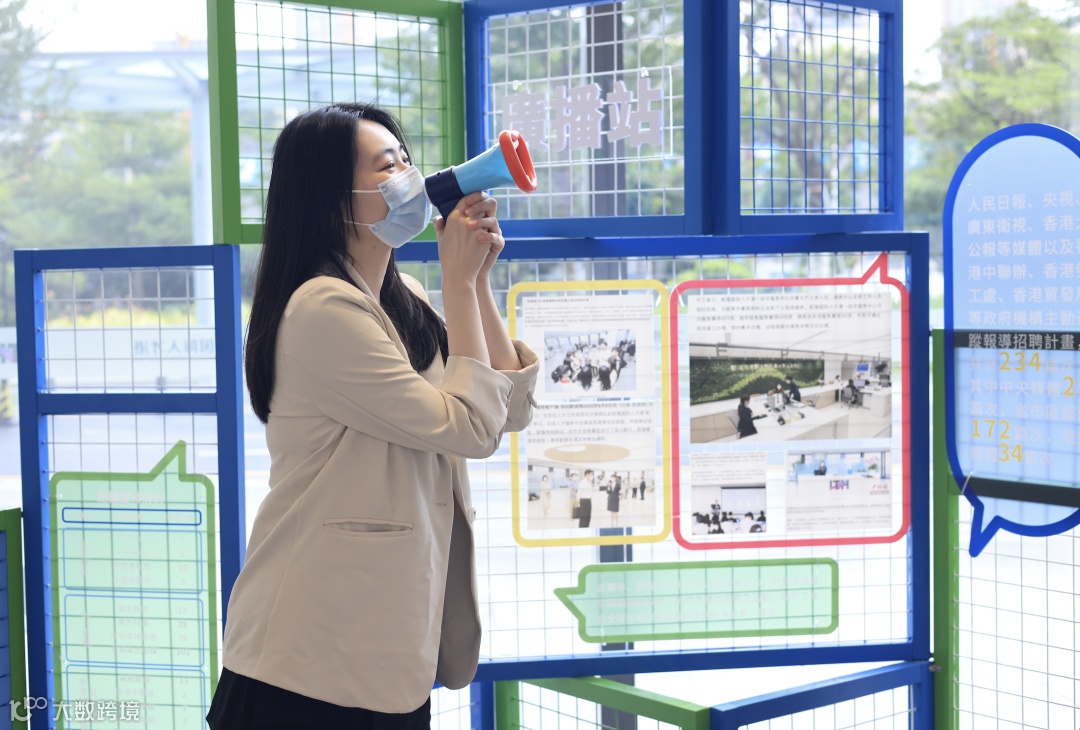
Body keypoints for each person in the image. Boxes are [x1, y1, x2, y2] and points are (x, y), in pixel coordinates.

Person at [206, 103, 538, 728]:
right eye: (388, 167)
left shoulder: (400, 297)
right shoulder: (322, 309)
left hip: (385, 649)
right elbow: (469, 428)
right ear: (334, 199)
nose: (410, 178)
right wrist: (457, 282)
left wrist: (477, 282)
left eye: (407, 160)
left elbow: (508, 409)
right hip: (305, 660)